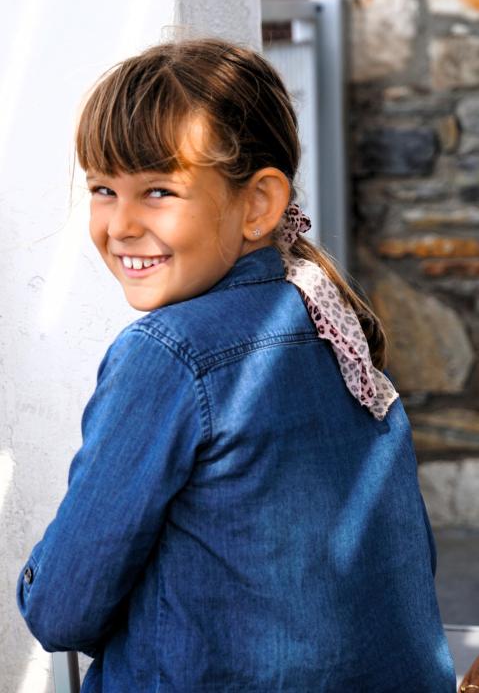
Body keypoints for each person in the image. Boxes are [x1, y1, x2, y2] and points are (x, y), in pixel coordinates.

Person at [17, 38, 456, 692]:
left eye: (159, 191)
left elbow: (61, 610)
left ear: (257, 204)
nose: (121, 224)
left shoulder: (168, 353)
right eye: (104, 189)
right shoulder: (329, 320)